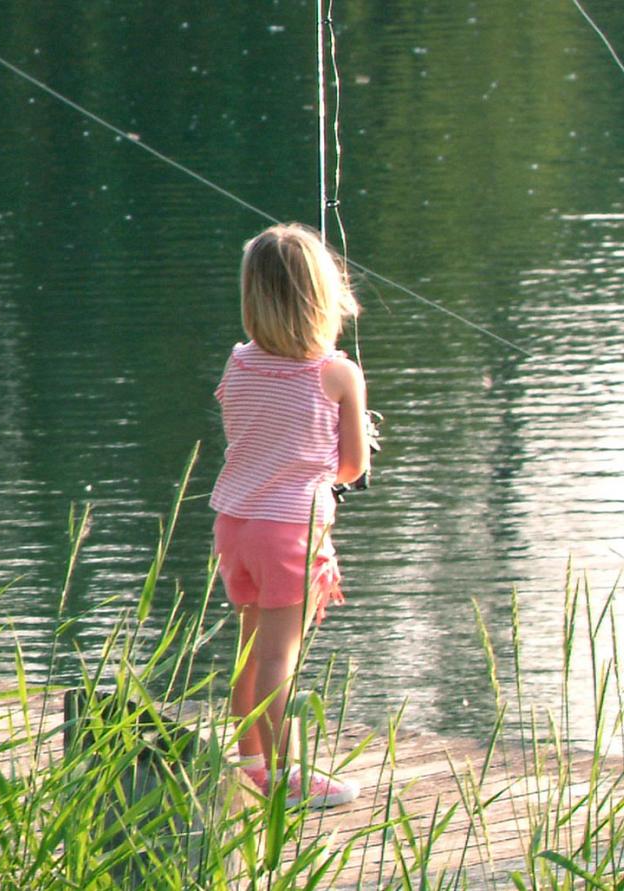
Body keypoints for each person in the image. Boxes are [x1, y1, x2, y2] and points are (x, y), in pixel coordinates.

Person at [210, 222, 371, 809]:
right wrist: (354, 424)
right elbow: (350, 467)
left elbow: (262, 432)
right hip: (290, 531)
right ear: (323, 297)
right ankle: (287, 775)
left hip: (235, 523)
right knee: (281, 656)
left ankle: (249, 761)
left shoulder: (239, 362)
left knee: (251, 647)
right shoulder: (338, 374)